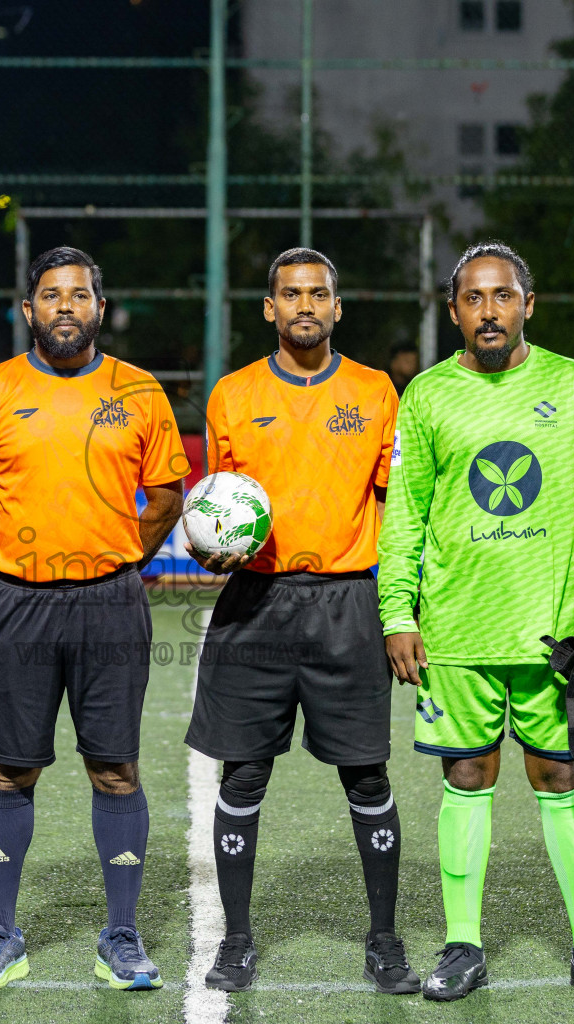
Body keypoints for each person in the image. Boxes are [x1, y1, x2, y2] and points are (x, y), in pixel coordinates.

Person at [378, 241, 574, 1004]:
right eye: (473, 298)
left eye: (503, 296)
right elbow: (406, 517)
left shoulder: (572, 384)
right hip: (457, 633)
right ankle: (463, 946)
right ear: (453, 309)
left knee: (559, 777)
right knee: (466, 776)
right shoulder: (426, 397)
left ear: (528, 304)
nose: (488, 310)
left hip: (551, 633)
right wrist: (398, 612)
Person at [0, 246, 187, 991]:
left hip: (112, 602)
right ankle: (1, 936)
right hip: (19, 601)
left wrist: (119, 559)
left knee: (115, 770)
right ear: (28, 311)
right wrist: (14, 560)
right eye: (50, 295)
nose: (64, 306)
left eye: (78, 295)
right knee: (10, 769)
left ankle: (120, 936)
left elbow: (168, 500)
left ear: (99, 309)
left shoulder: (140, 392)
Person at [184, 248, 417, 995]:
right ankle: (239, 943)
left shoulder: (377, 391)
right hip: (255, 603)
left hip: (348, 602)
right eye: (291, 294)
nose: (305, 306)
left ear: (338, 307)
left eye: (319, 293)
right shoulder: (231, 395)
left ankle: (384, 941)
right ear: (269, 308)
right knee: (244, 771)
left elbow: (398, 508)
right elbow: (215, 503)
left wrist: (401, 609)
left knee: (366, 772)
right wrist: (210, 549)